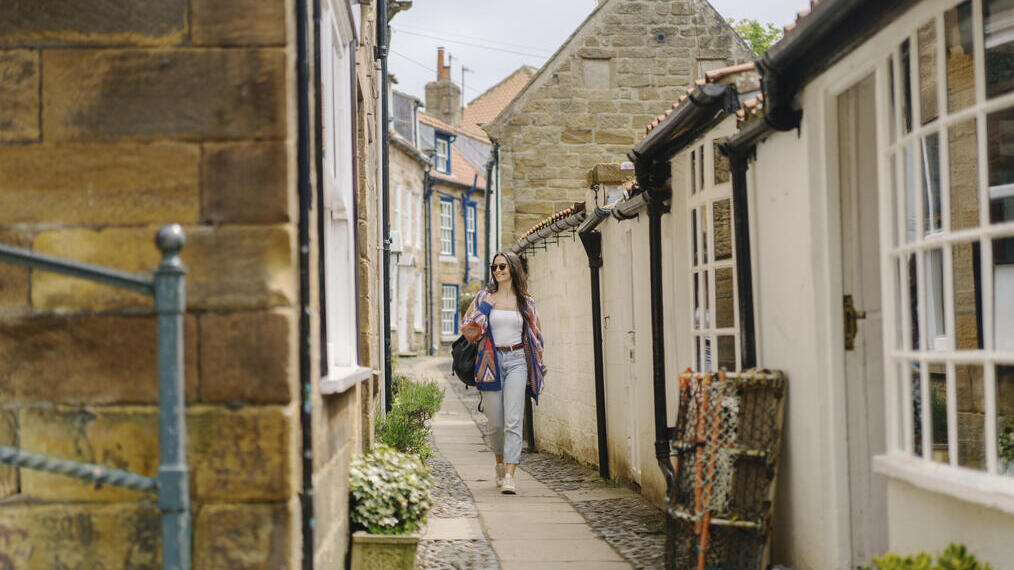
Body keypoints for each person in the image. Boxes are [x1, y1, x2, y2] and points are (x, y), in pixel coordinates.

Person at [460, 251, 546, 495]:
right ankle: (499, 462)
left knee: (513, 420)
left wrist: (538, 363)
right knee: (496, 424)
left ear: (513, 269)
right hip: (490, 361)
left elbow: (536, 334)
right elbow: (467, 330)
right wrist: (485, 307)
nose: (497, 271)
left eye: (502, 266)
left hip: (518, 360)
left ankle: (509, 475)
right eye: (494, 267)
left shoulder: (526, 302)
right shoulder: (484, 298)